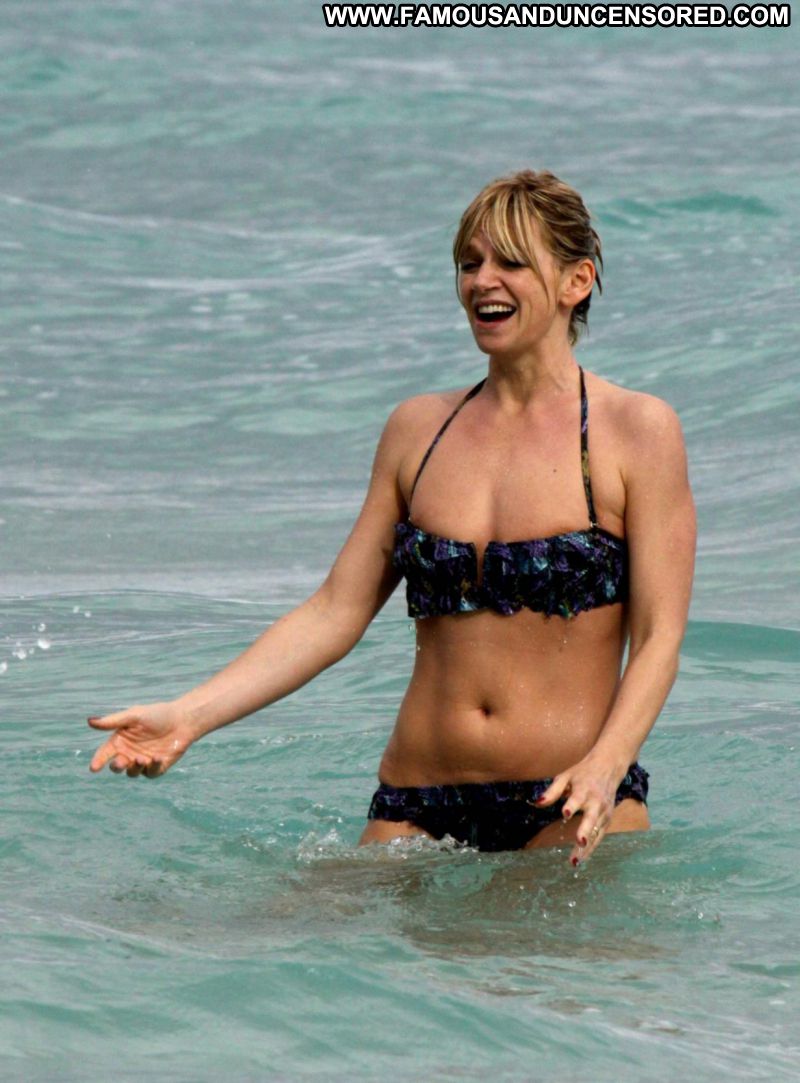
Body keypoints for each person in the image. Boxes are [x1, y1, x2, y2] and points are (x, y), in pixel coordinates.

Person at [89, 170, 696, 867]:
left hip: (570, 800)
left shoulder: (635, 432)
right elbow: (334, 612)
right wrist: (189, 716)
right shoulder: (417, 431)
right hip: (415, 802)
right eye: (469, 263)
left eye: (510, 262)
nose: (482, 281)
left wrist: (607, 765)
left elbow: (660, 636)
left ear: (575, 281)